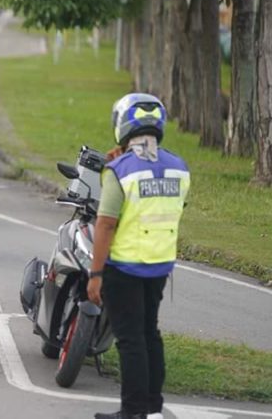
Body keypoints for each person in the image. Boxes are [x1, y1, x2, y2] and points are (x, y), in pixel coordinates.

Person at [88, 94, 190, 419]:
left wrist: (95, 273)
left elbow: (105, 223)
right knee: (150, 333)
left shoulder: (119, 170)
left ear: (122, 125)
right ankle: (152, 406)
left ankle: (132, 412)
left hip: (124, 267)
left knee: (130, 339)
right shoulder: (179, 167)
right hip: (160, 264)